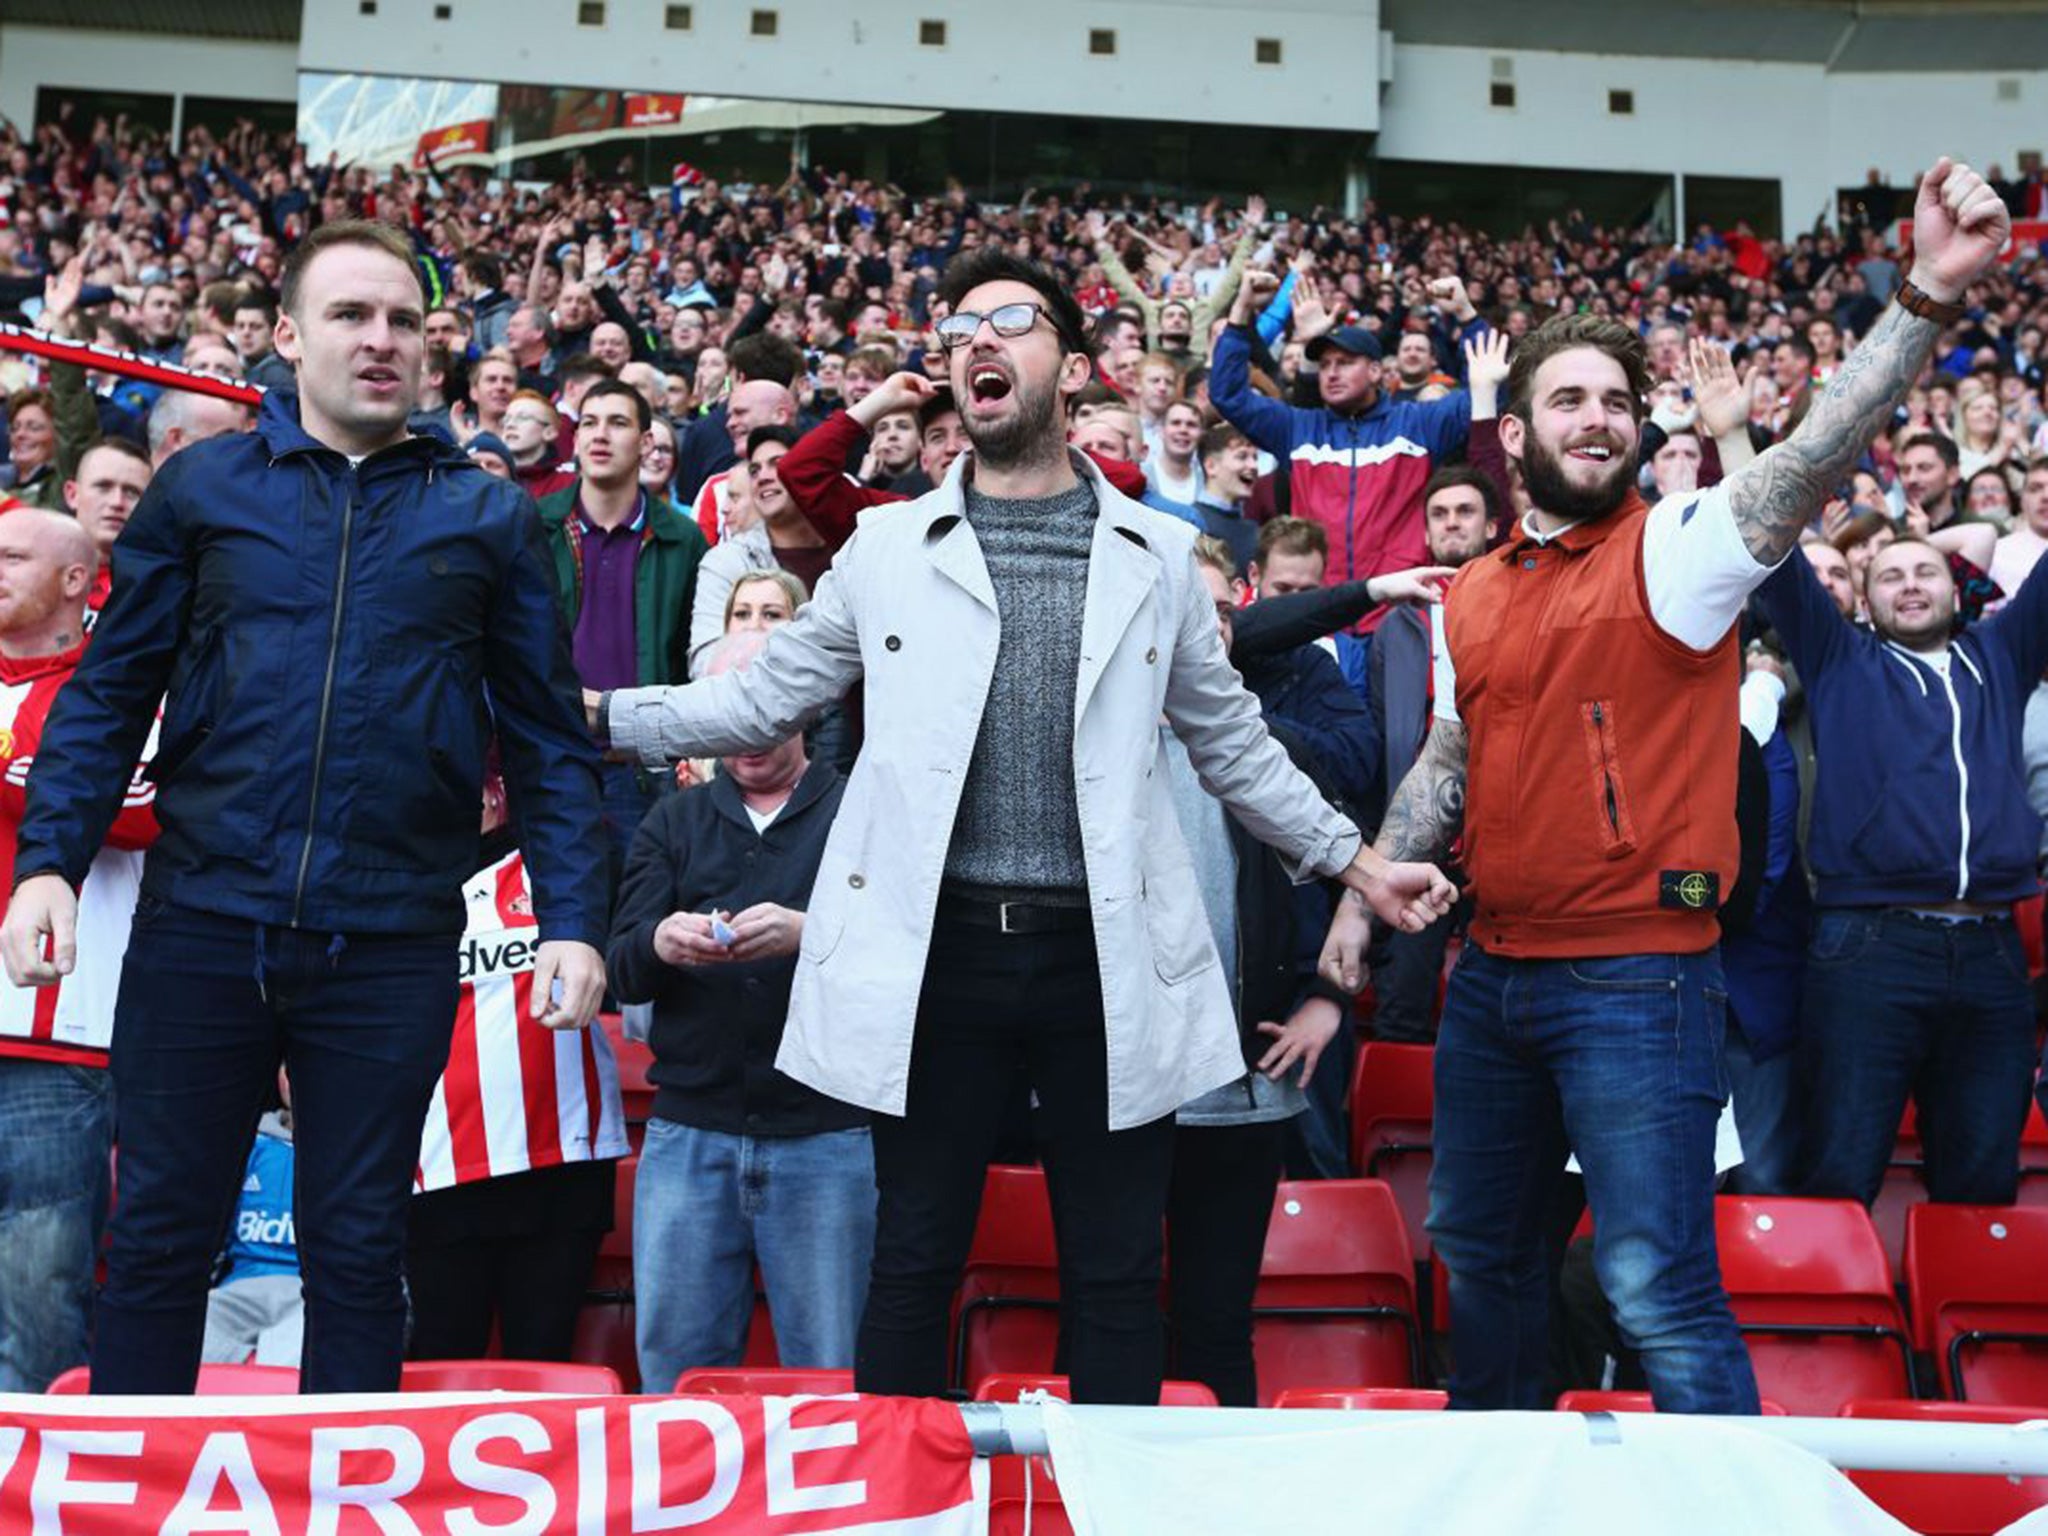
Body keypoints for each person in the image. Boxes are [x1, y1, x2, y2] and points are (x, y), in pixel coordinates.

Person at [595, 247, 1452, 1405]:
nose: (976, 344)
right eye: (956, 333)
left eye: (1010, 321)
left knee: (1112, 1273)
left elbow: (1233, 745)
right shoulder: (887, 548)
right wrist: (592, 716)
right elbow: (757, 696)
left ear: (1070, 360)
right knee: (911, 1264)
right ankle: (904, 1513)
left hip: (1102, 958)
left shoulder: (1151, 553)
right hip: (937, 951)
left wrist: (1360, 863)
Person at [1322, 157, 2012, 1414]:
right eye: (1565, 399)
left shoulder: (1678, 550)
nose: (1595, 417)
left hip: (1638, 978)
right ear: (1513, 430)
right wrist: (1361, 893)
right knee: (1477, 1253)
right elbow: (1450, 759)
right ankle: (1505, 1492)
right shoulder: (1469, 590)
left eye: (1614, 401)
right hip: (1492, 981)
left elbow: (1807, 456)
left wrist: (1919, 295)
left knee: (1652, 1286)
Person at [0, 219, 611, 1396]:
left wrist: (575, 919)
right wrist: (48, 865)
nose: (379, 341)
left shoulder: (484, 518)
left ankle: (342, 1507)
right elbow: (110, 694)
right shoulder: (201, 490)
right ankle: (141, 1510)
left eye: (401, 321)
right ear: (287, 335)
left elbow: (544, 735)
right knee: (162, 1244)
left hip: (390, 939)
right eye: (348, 315)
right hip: (203, 924)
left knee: (361, 1246)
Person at [609, 630, 870, 1391]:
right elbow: (624, 966)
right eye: (729, 714)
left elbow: (906, 953)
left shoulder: (856, 811)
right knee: (676, 1387)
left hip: (826, 1133)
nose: (748, 733)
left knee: (833, 1383)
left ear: (804, 709)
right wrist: (660, 939)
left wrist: (806, 934)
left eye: (763, 710)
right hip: (691, 1132)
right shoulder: (674, 823)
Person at [1762, 528, 2046, 1207]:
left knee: (1982, 1182)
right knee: (1840, 1169)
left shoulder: (2000, 656)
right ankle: (1836, 1314)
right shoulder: (1840, 658)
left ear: (1959, 591)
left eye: (1926, 571)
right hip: (1870, 950)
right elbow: (1775, 554)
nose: (1911, 584)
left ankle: (1967, 1316)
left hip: (1991, 953)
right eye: (1891, 576)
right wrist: (1738, 436)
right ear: (1864, 600)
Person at [1165, 536, 1348, 1405]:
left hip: (1242, 1091)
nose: (1206, 630)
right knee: (1109, 1310)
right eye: (1184, 611)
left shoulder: (1275, 753)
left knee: (1215, 1323)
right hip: (1110, 1088)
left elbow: (1366, 870)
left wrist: (1327, 996)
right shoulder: (1083, 746)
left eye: (1221, 615)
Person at [0, 510, 157, 1392]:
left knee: (37, 1288)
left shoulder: (116, 690)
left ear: (73, 580)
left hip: (53, 1038)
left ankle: (27, 1504)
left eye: (14, 556)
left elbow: (141, 810)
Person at [408, 772, 629, 1363]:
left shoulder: (562, 872)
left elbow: (592, 820)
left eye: (482, 785)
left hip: (561, 1162)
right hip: (437, 1168)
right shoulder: (397, 881)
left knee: (546, 1359)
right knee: (442, 1359)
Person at [1211, 272, 1487, 602]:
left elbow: (1488, 389)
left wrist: (1467, 316)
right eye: (1325, 364)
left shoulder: (1419, 423)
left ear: (1375, 372)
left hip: (1397, 612)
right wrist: (1241, 311)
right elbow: (1227, 394)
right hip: (1321, 612)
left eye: (1344, 363)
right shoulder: (1297, 428)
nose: (1331, 372)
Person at [534, 379, 707, 875]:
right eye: (589, 423)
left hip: (642, 770)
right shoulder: (533, 525)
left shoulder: (682, 539)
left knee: (640, 922)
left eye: (618, 423)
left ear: (647, 443)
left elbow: (691, 659)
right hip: (553, 762)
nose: (599, 435)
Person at [1359, 465, 1501, 1043]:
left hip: (1496, 840)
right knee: (1403, 1004)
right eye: (1440, 515)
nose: (1452, 524)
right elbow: (1380, 735)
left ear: (1493, 526)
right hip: (1419, 842)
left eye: (1465, 512)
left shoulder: (1516, 609)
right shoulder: (1396, 629)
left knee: (1496, 1010)